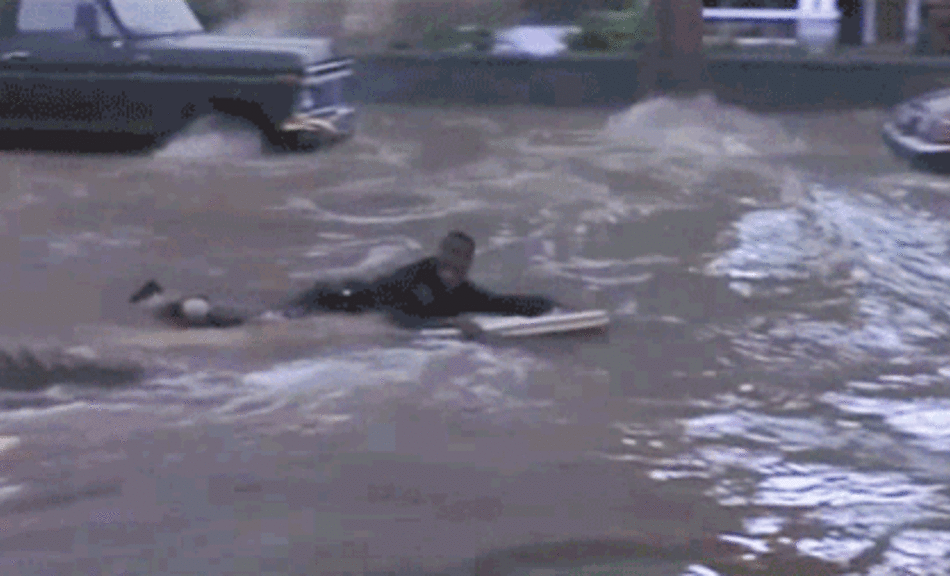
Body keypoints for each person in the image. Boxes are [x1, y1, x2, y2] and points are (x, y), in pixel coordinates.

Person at [131, 231, 557, 330]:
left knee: (259, 315)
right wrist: (450, 323)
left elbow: (497, 302)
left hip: (347, 298)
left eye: (460, 264)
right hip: (334, 299)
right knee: (259, 321)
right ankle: (172, 306)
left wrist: (551, 307)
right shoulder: (416, 277)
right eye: (448, 260)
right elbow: (399, 318)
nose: (453, 269)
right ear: (440, 256)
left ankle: (175, 303)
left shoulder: (459, 287)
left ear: (467, 265)